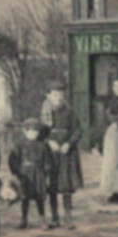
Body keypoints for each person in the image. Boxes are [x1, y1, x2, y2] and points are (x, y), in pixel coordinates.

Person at [43, 82, 83, 228]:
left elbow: (78, 130)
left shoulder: (69, 112)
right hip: (51, 153)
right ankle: (54, 217)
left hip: (67, 153)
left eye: (60, 95)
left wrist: (69, 143)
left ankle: (68, 217)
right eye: (54, 95)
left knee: (66, 185)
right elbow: (38, 133)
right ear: (48, 96)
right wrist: (48, 142)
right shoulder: (44, 113)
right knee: (52, 185)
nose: (58, 98)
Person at [7, 118, 56, 230]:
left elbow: (47, 161)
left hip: (38, 173)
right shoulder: (19, 145)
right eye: (30, 131)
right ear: (25, 131)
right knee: (25, 197)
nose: (33, 134)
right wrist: (16, 172)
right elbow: (13, 160)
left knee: (40, 197)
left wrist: (47, 173)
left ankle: (42, 219)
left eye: (36, 131)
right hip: (25, 173)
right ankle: (23, 219)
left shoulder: (43, 145)